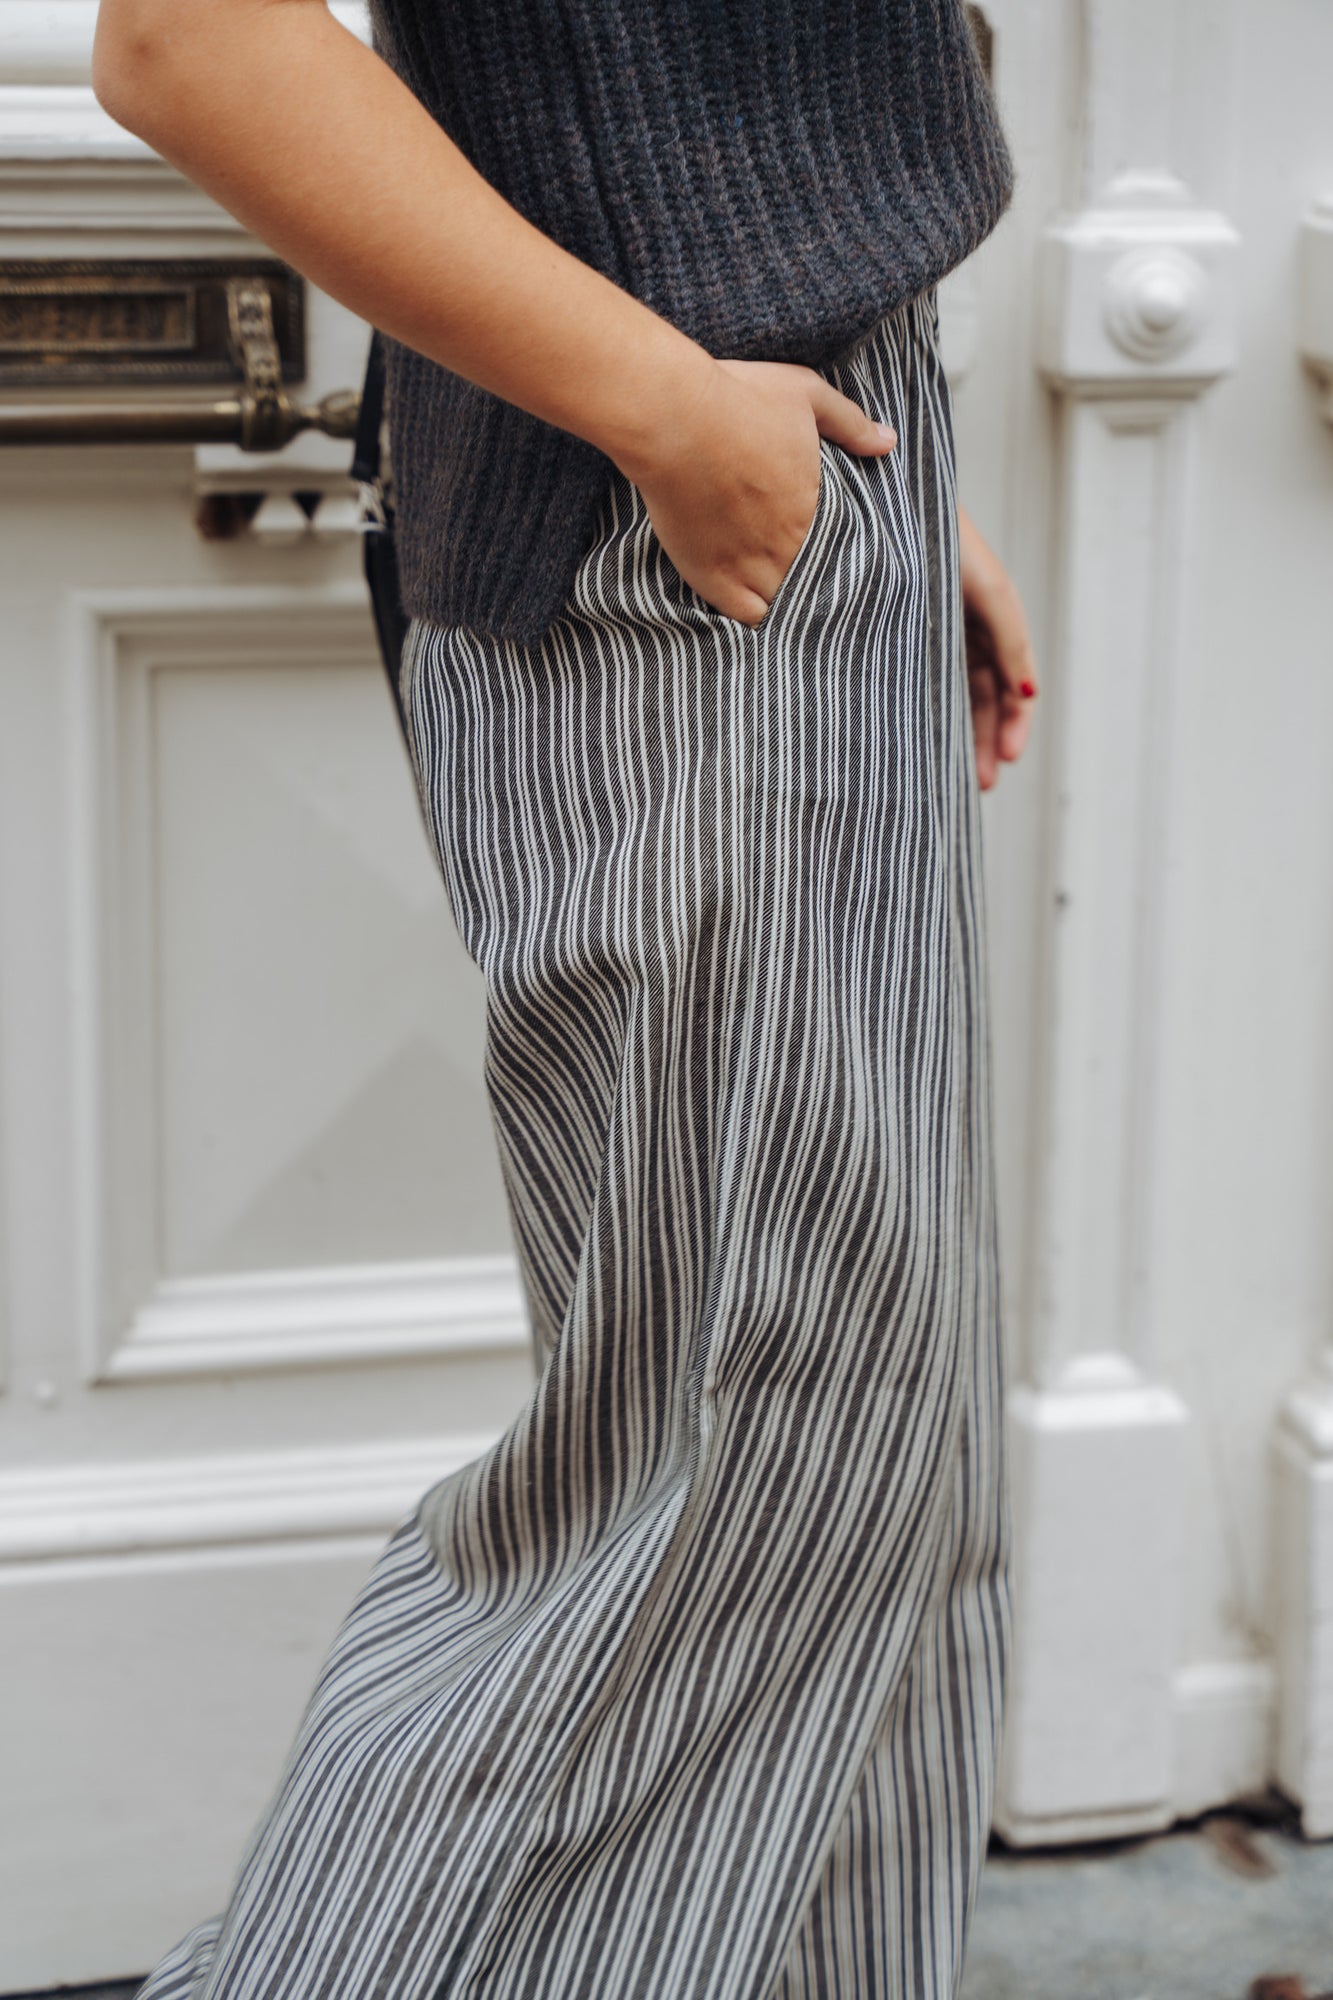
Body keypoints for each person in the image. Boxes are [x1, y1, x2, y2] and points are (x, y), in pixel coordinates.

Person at [91, 0, 1039, 1993]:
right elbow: (190, 36)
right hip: (658, 530)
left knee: (872, 1479)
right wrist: (672, 404)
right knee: (744, 1472)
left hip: (772, 464)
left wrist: (889, 454)